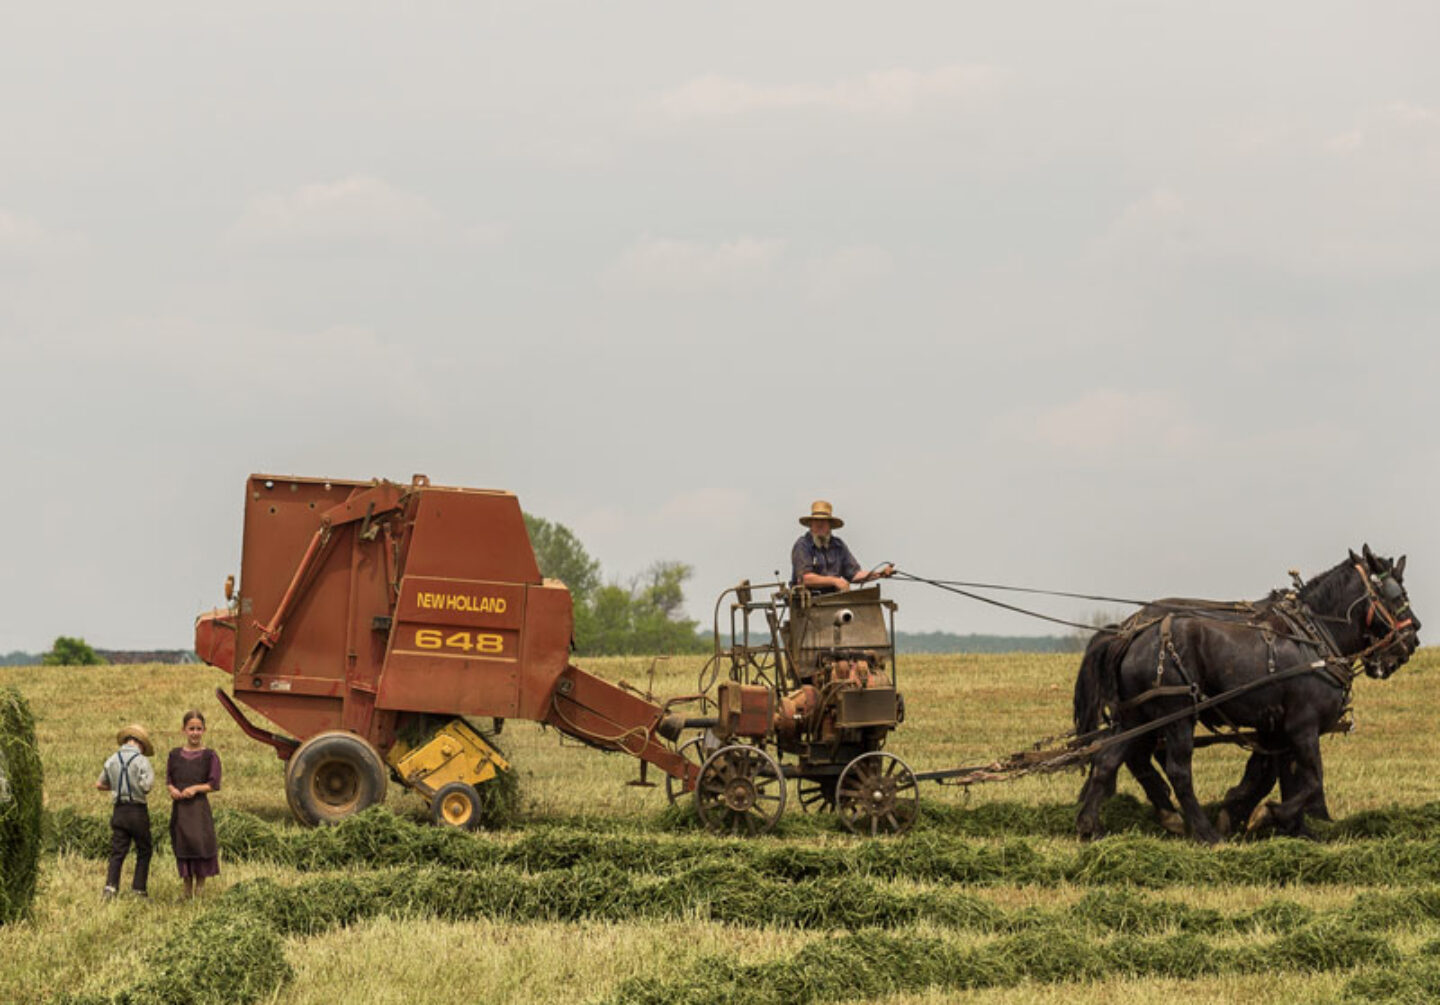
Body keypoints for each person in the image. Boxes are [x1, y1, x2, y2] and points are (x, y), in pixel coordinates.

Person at [166, 709, 222, 899]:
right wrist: (172, 790)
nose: (195, 732)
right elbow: (169, 779)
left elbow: (214, 784)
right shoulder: (174, 755)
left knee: (200, 845)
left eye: (199, 729)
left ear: (204, 730)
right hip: (181, 810)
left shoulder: (210, 756)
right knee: (183, 845)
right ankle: (186, 889)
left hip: (198, 809)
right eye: (191, 729)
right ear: (183, 730)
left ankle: (200, 888)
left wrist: (196, 789)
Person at [97, 724, 155, 900]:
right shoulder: (142, 761)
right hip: (137, 810)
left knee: (118, 851)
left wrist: (117, 787)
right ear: (141, 744)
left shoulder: (112, 759)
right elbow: (147, 787)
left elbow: (99, 784)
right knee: (144, 849)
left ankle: (111, 888)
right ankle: (138, 889)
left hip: (119, 810)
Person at [790, 500, 894, 593]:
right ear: (810, 524)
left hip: (835, 601)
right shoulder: (803, 545)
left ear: (830, 525)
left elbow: (854, 575)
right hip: (808, 605)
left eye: (824, 521)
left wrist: (879, 574)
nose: (820, 524)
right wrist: (835, 581)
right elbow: (805, 578)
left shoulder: (838, 545)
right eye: (816, 520)